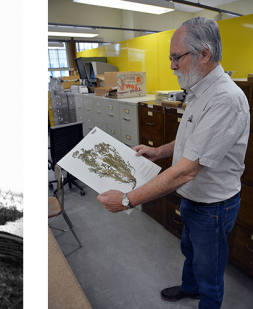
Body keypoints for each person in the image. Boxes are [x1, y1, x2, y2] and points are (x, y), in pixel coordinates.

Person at [97, 17, 249, 309]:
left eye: (176, 57)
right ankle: (190, 288)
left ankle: (205, 298)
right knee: (190, 251)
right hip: (193, 199)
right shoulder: (198, 89)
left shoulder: (226, 100)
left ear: (204, 54)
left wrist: (128, 200)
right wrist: (158, 152)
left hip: (213, 206)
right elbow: (189, 144)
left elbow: (188, 169)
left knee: (210, 271)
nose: (171, 65)